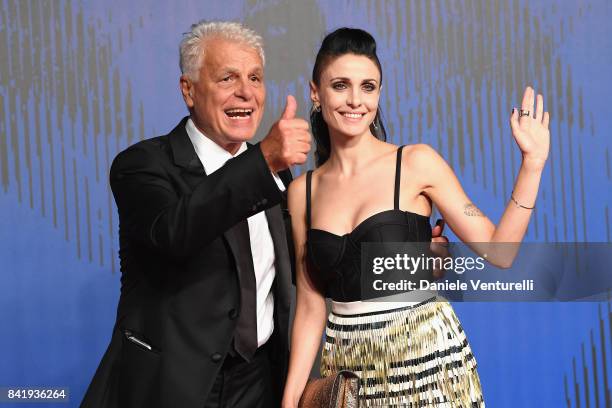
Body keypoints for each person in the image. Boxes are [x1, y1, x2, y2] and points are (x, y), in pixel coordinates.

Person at [282, 28, 549, 407]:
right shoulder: (301, 192)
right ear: (315, 92)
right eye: (340, 85)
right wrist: (290, 401)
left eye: (368, 87)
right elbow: (310, 307)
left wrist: (532, 165)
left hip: (427, 361)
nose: (355, 100)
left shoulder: (416, 162)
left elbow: (500, 252)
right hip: (349, 369)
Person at [81, 21, 312, 408]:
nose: (246, 92)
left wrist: (418, 251)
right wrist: (262, 161)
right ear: (188, 90)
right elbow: (175, 232)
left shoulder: (273, 171)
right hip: (173, 386)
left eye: (255, 78)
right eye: (228, 78)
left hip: (259, 383)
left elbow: (299, 264)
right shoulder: (142, 165)